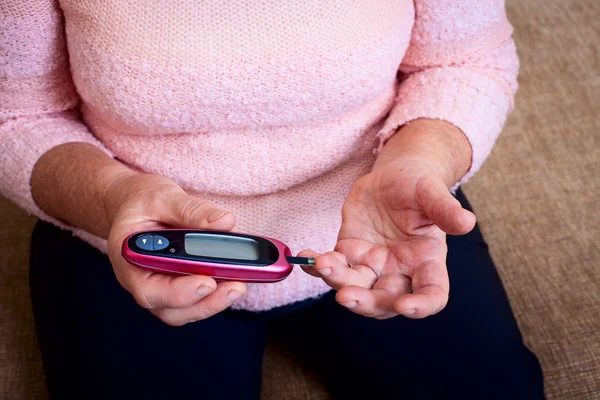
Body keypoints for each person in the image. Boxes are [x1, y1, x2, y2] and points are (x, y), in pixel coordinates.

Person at [1, 0, 544, 398]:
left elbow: (465, 60)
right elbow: (17, 115)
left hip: (387, 226)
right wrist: (111, 195)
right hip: (132, 237)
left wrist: (420, 161)